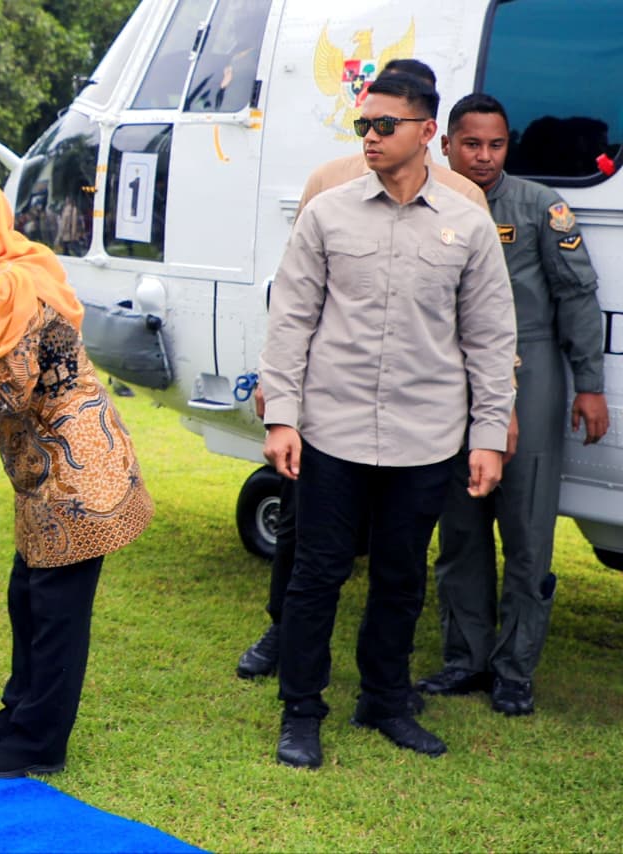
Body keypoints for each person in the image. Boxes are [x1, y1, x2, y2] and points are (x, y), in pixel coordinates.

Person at [259, 73, 517, 769]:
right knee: (317, 573)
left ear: (426, 132)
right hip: (332, 429)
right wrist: (282, 415)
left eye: (384, 126)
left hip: (426, 433)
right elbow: (291, 318)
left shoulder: (465, 221)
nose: (369, 137)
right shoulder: (329, 213)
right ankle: (301, 711)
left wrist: (489, 435)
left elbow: (491, 337)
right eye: (362, 126)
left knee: (402, 577)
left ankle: (384, 700)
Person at [0, 178, 154, 778]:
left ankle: (40, 742)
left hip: (76, 478)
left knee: (55, 615)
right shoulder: (5, 269)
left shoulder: (6, 285)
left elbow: (10, 395)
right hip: (52, 473)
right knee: (29, 600)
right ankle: (18, 717)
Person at [415, 94, 610, 716]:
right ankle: (464, 659)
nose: (484, 157)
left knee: (527, 531)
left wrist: (589, 383)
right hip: (450, 378)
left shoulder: (537, 206)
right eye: (471, 144)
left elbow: (577, 296)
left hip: (532, 371)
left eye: (496, 145)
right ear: (445, 144)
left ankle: (515, 670)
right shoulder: (428, 201)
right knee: (460, 531)